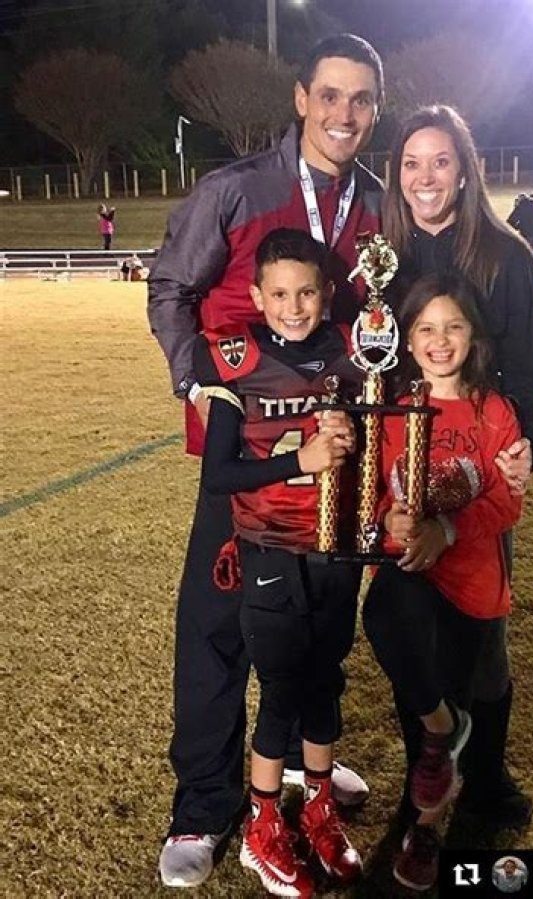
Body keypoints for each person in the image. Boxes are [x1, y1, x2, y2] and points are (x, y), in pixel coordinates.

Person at [147, 33, 385, 889]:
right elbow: (171, 287)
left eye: (361, 99)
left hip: (337, 454)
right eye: (330, 94)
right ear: (301, 98)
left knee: (318, 625)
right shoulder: (236, 189)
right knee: (217, 628)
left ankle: (298, 763)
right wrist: (197, 382)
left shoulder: (377, 203)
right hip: (249, 451)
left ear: (375, 109)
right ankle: (204, 803)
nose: (344, 113)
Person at [381, 105, 533, 844]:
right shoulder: (381, 255)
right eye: (411, 162)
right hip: (404, 467)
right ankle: (424, 775)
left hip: (479, 472)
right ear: (396, 173)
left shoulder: (505, 256)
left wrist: (526, 448)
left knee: (482, 639)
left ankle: (484, 779)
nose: (425, 177)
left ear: (464, 170)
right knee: (407, 628)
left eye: (441, 161)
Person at [196, 228, 364, 897]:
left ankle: (318, 809)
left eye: (307, 293)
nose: (294, 307)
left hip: (335, 544)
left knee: (325, 682)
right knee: (283, 690)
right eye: (281, 294)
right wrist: (302, 459)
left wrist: (350, 436)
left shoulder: (352, 351)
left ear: (327, 293)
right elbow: (219, 475)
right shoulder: (235, 358)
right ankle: (262, 827)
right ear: (258, 296)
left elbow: (372, 437)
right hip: (270, 546)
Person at [364, 275, 524, 891]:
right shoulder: (393, 413)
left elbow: (506, 502)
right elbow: (379, 492)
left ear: (472, 335)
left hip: (473, 583)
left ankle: (428, 828)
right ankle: (430, 772)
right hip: (411, 577)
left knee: (456, 689)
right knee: (400, 652)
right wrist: (390, 519)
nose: (440, 340)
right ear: (405, 341)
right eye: (425, 328)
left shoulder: (494, 411)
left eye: (453, 326)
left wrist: (447, 529)